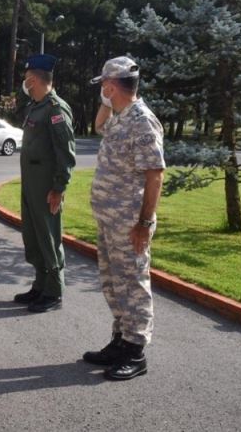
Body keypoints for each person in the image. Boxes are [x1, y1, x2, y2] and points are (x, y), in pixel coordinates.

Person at [84, 56, 165, 381]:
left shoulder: (142, 120)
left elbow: (155, 175)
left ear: (111, 85)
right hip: (110, 220)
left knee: (133, 284)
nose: (101, 90)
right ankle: (120, 340)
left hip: (130, 224)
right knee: (114, 283)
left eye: (104, 85)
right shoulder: (120, 117)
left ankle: (135, 352)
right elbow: (98, 126)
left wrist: (144, 224)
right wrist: (107, 101)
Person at [14, 54, 77, 313]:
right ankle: (40, 285)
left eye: (27, 78)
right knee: (33, 237)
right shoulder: (35, 106)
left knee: (49, 237)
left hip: (46, 187)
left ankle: (53, 291)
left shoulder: (55, 109)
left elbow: (65, 153)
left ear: (34, 79)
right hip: (31, 184)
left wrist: (58, 188)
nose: (25, 83)